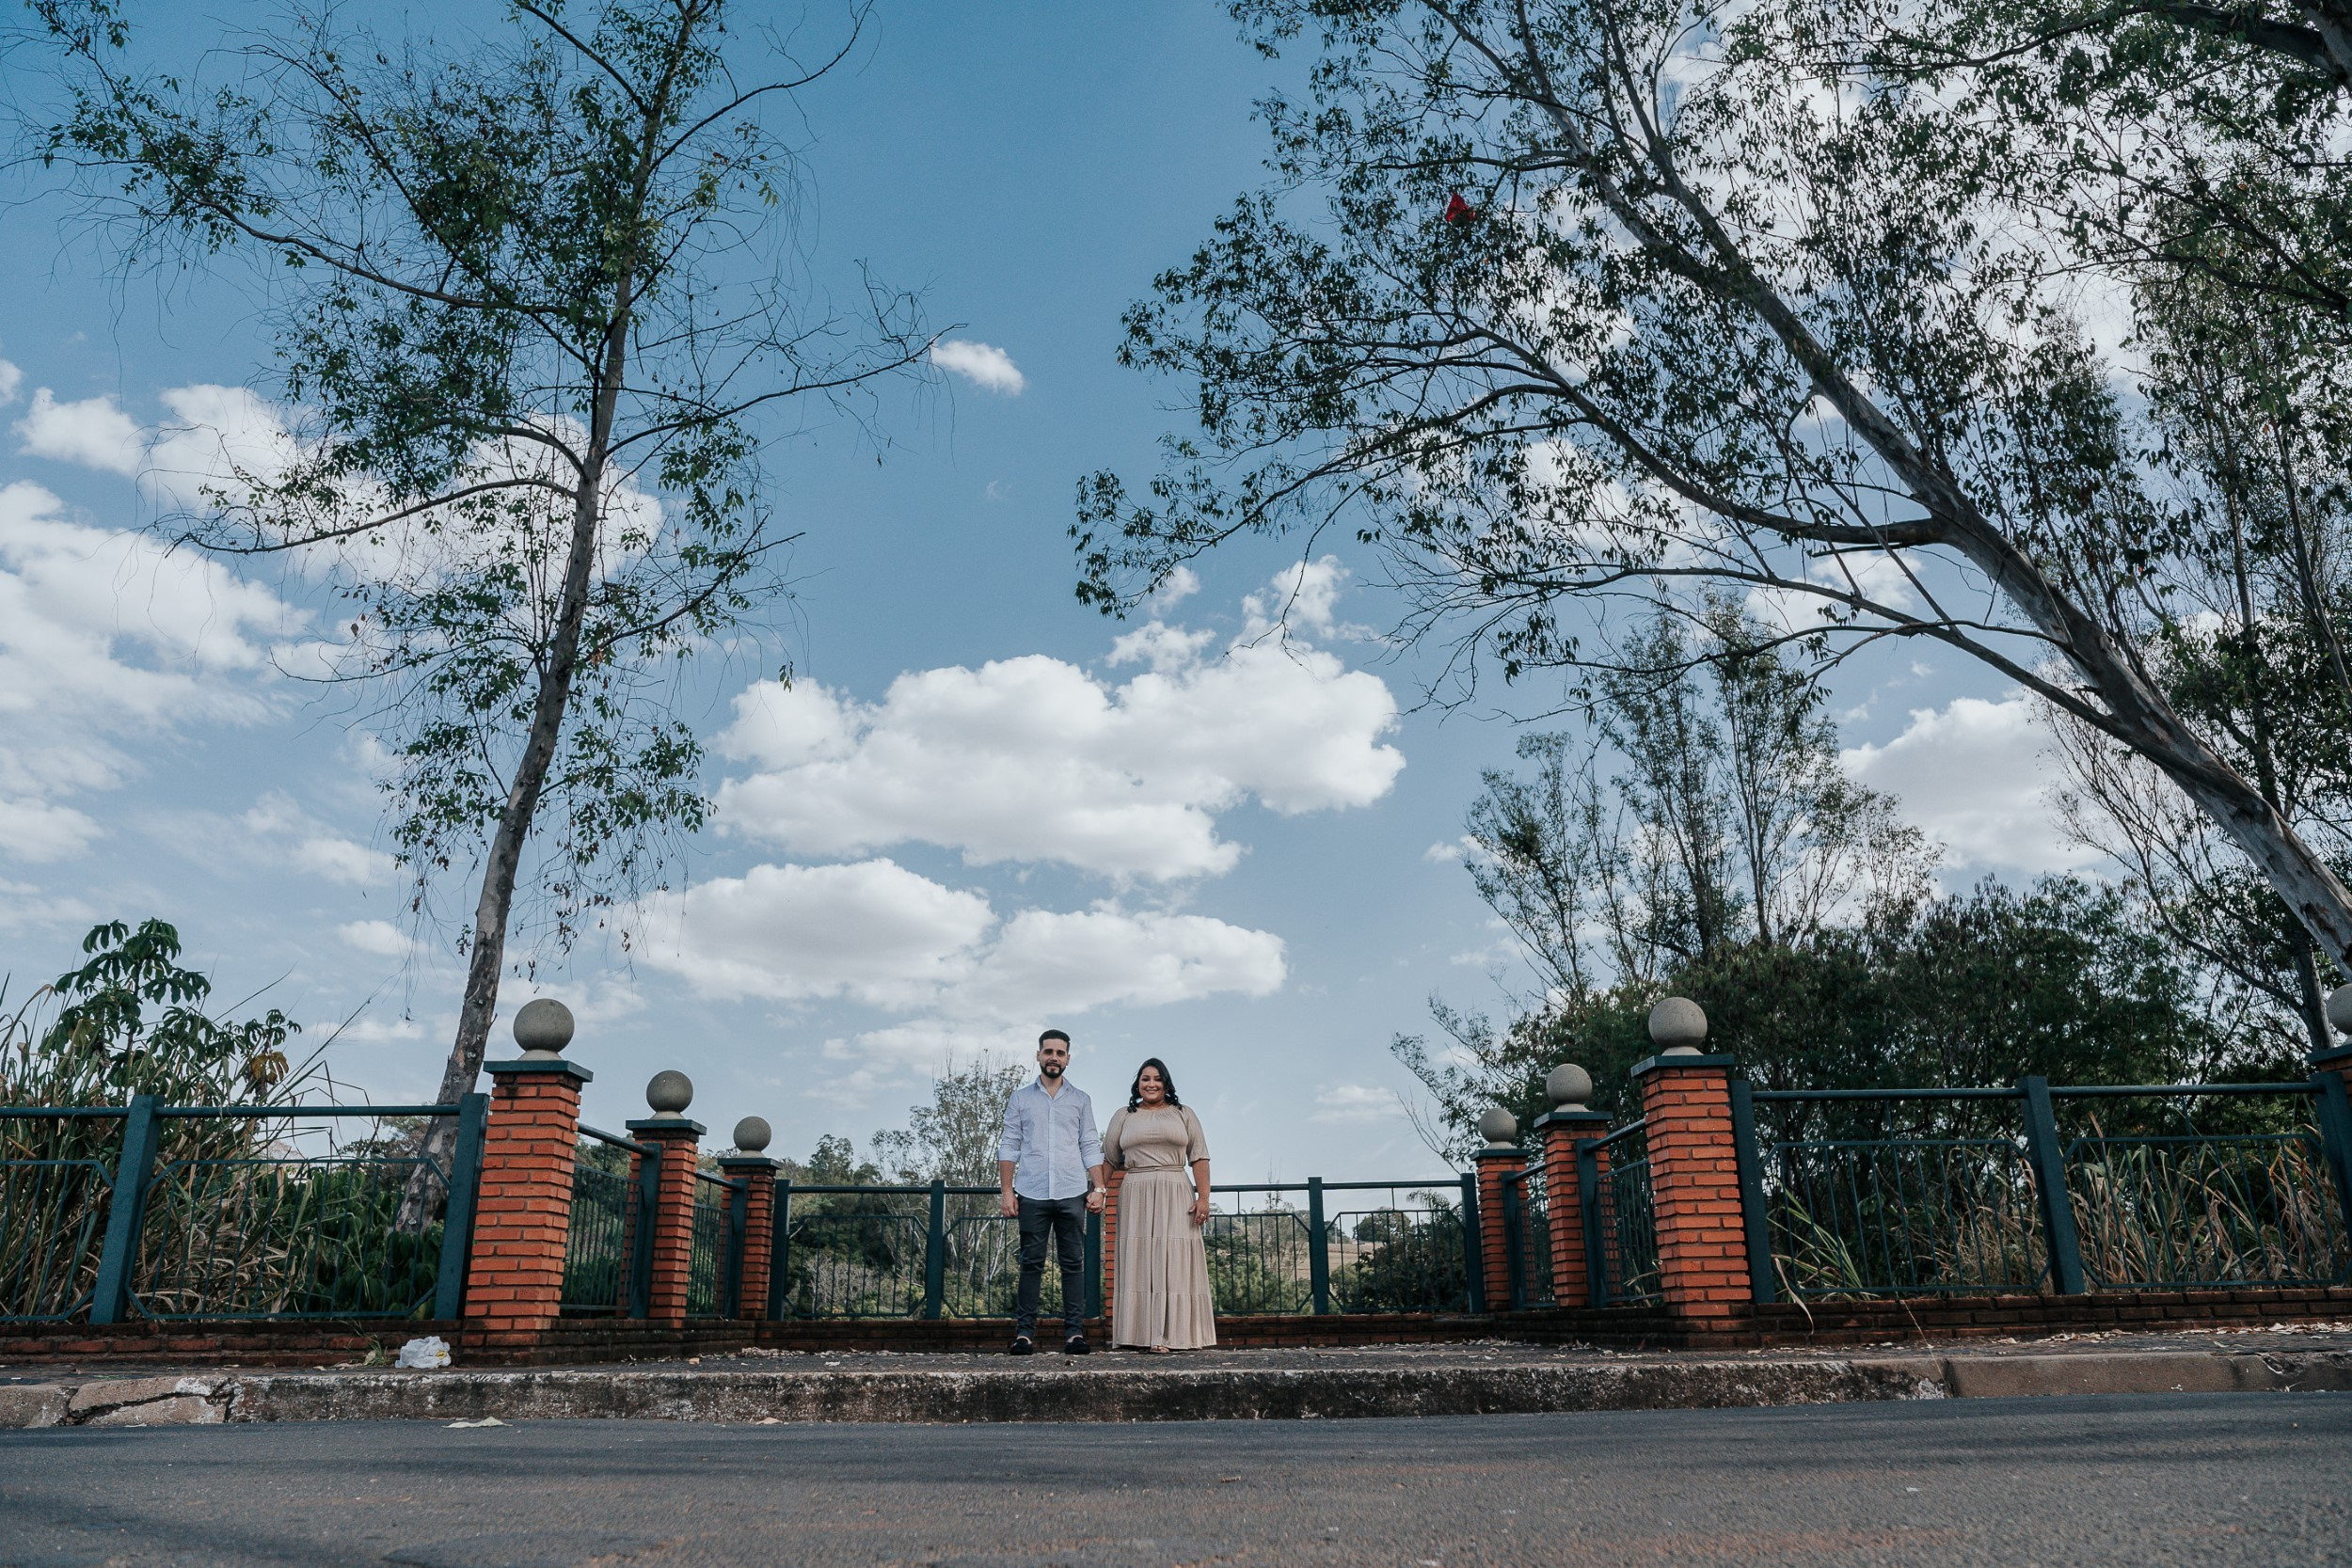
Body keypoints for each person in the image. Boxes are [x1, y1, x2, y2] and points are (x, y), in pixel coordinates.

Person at [996, 1028, 1106, 1355]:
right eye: (1048, 1052)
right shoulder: (1020, 1099)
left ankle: (1074, 1334)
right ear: (1038, 1056)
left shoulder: (1081, 1100)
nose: (1053, 1058)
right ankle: (1024, 1335)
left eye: (1060, 1053)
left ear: (1067, 1059)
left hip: (1072, 1192)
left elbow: (1090, 1145)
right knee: (1031, 1263)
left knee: (1073, 1264)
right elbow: (1009, 1144)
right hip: (1032, 1192)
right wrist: (1007, 1192)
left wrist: (1099, 1188)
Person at [1102, 1057, 1216, 1352]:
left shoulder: (1184, 1114)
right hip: (1135, 1190)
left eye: (1157, 1079)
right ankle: (1139, 1335)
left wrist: (1203, 1198)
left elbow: (1199, 1156)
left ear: (1166, 1083)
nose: (1151, 1084)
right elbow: (1110, 1159)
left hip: (1176, 1189)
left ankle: (1172, 1335)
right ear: (1137, 1084)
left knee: (1174, 1259)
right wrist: (1098, 1191)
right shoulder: (1123, 1116)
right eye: (1145, 1079)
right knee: (1139, 1259)